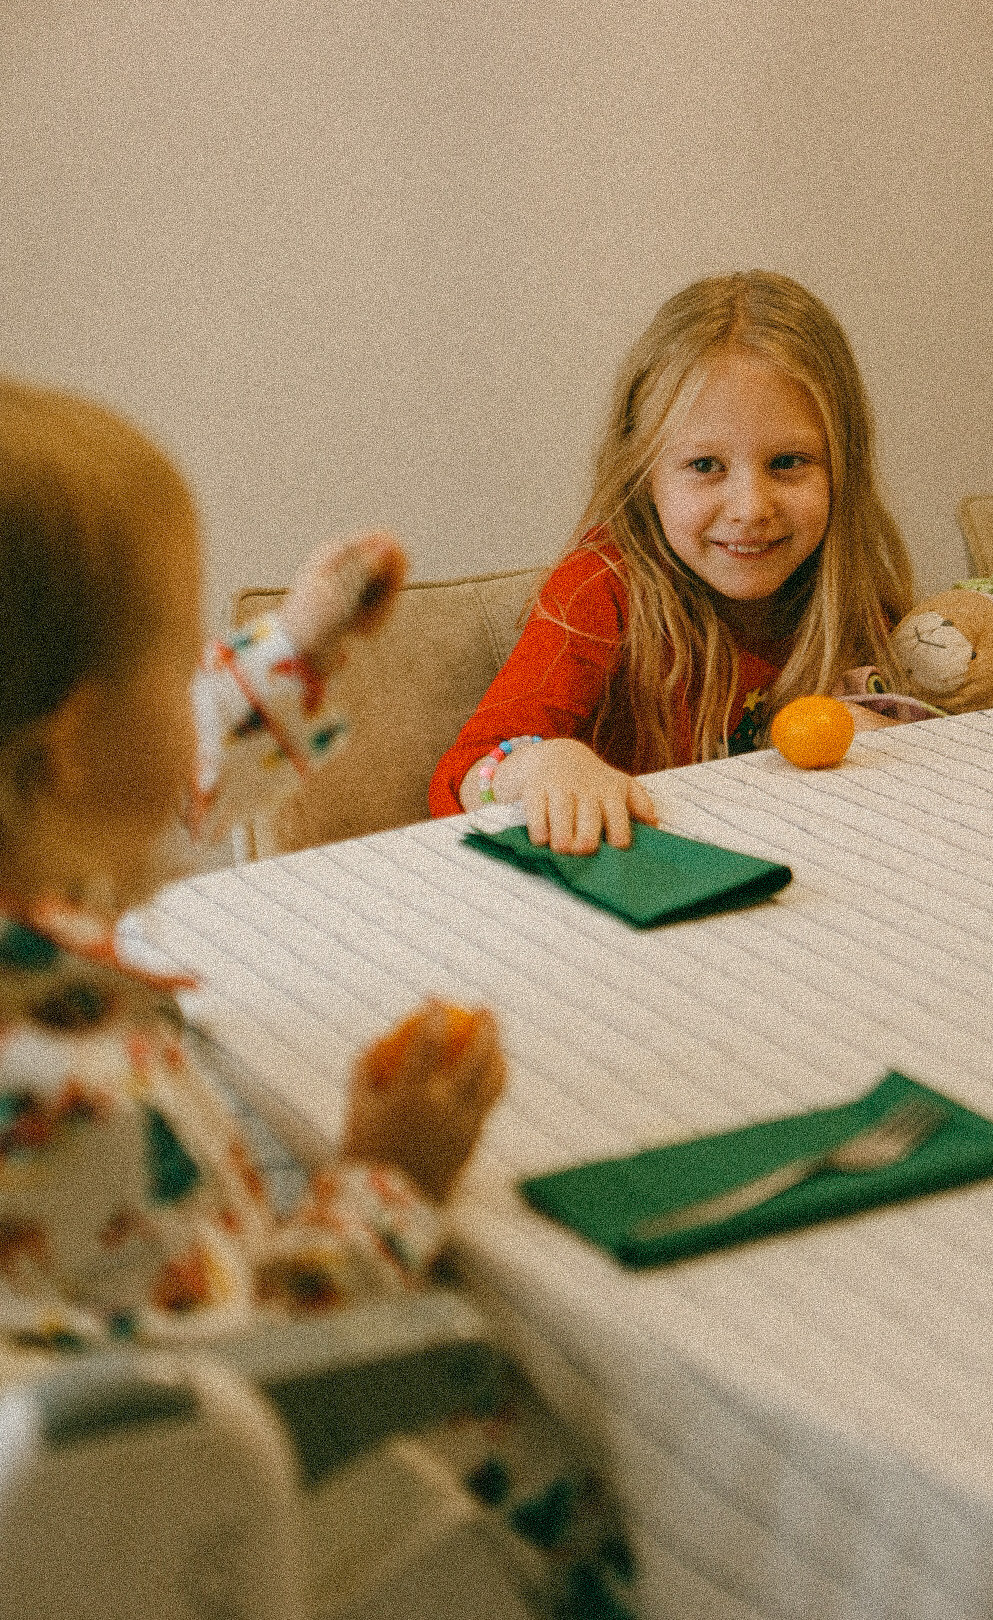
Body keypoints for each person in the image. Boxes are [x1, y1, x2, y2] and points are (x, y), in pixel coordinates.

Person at [0, 378, 635, 1619]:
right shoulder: (67, 1096)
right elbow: (249, 1365)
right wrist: (390, 1176)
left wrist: (296, 650)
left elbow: (167, 793)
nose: (199, 681)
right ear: (69, 742)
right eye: (180, 650)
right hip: (285, 1531)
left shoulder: (39, 844)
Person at [430, 270, 915, 853]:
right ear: (646, 474)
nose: (751, 507)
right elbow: (462, 777)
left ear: (844, 468)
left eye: (788, 462)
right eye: (706, 465)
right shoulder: (601, 589)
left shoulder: (846, 586)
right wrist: (536, 767)